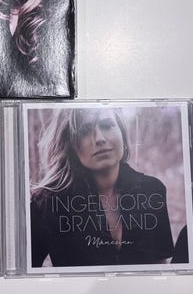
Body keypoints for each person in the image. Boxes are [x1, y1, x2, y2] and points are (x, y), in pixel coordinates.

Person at [30, 108, 174, 267]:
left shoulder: (152, 190)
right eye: (85, 131)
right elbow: (26, 273)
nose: (99, 138)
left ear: (122, 133)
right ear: (70, 144)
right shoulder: (45, 203)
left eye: (107, 125)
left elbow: (160, 265)